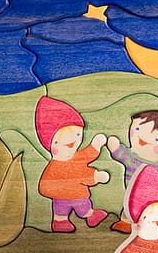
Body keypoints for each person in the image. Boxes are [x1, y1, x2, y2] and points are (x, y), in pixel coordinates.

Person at [35, 96, 109, 232]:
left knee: (84, 208)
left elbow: (88, 155)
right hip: (61, 199)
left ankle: (90, 215)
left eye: (77, 135)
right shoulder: (53, 167)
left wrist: (96, 145)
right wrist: (95, 176)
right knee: (60, 213)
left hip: (80, 196)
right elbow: (44, 187)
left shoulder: (77, 156)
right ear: (51, 145)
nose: (72, 141)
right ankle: (60, 221)